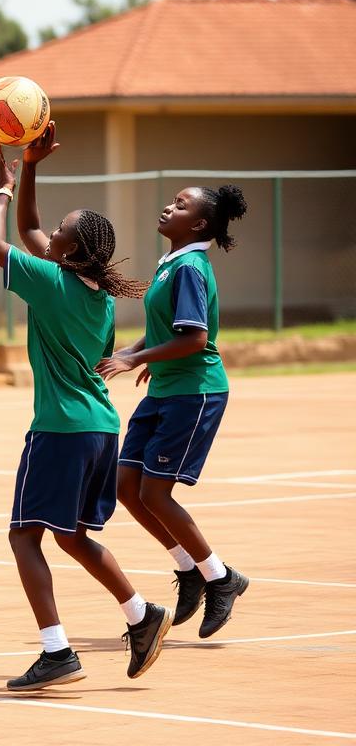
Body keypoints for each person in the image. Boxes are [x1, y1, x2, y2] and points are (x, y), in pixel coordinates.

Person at [0, 127, 170, 692]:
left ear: (68, 248)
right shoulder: (96, 293)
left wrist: (2, 190)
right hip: (100, 429)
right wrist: (30, 167)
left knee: (24, 536)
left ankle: (56, 650)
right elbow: (30, 231)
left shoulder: (49, 282)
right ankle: (141, 614)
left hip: (61, 430)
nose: (51, 230)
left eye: (60, 228)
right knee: (72, 536)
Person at [96, 181, 249, 639]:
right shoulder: (172, 263)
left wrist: (137, 359)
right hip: (166, 389)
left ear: (198, 224)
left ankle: (221, 578)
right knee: (126, 487)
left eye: (180, 205)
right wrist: (133, 352)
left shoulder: (189, 268)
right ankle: (188, 568)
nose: (168, 207)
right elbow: (169, 328)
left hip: (194, 392)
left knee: (156, 494)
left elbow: (195, 339)